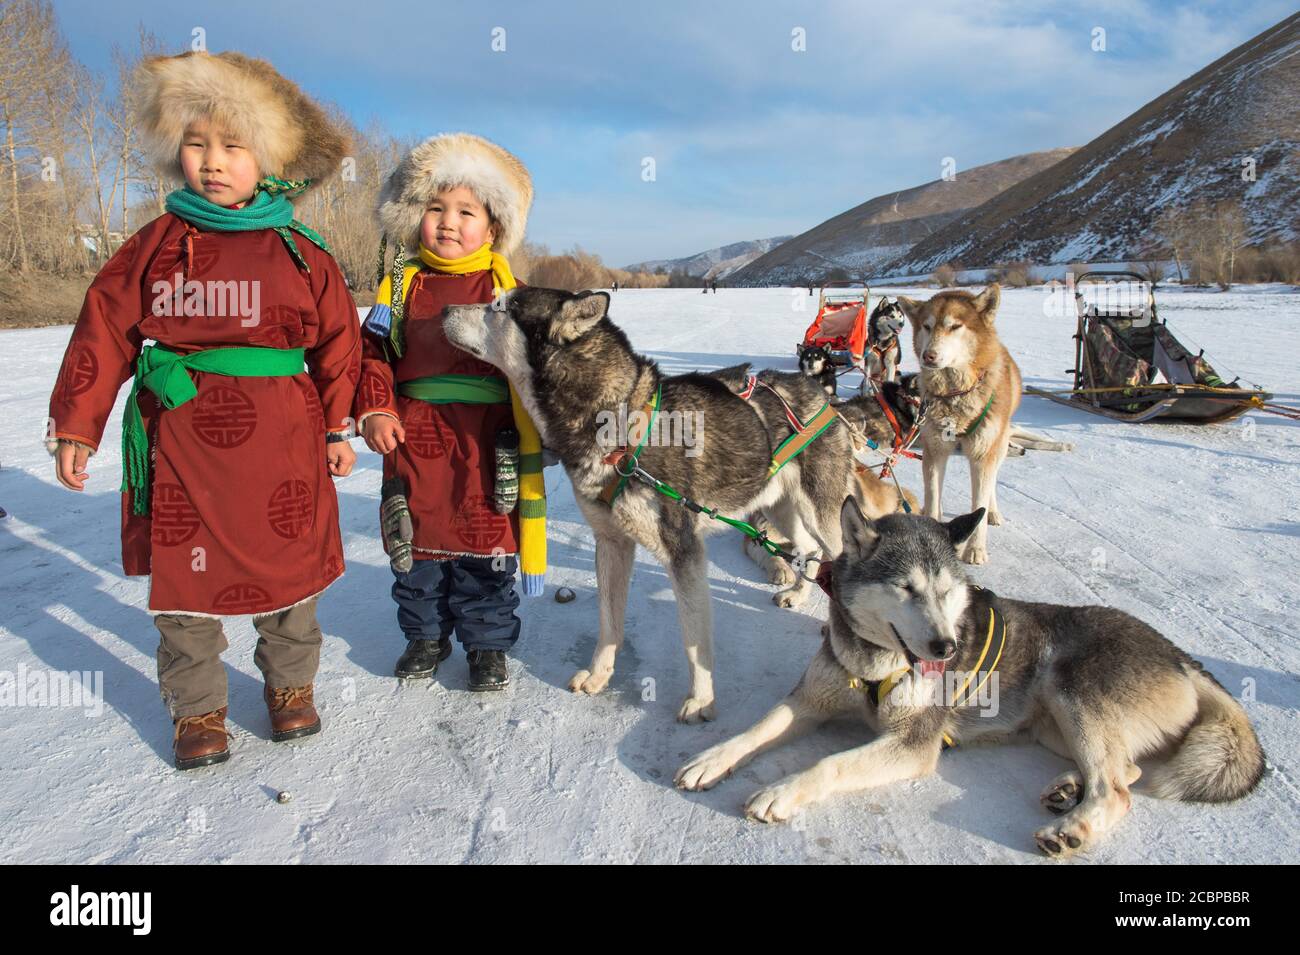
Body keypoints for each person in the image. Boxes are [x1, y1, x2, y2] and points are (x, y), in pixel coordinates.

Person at [46, 51, 360, 770]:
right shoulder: (153, 247)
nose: (212, 162)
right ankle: (198, 709)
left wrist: (339, 423)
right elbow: (104, 328)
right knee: (184, 579)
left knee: (289, 570)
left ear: (270, 158)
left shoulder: (303, 253)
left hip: (285, 438)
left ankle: (290, 687)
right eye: (196, 143)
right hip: (185, 439)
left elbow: (340, 342)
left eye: (233, 145)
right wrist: (78, 423)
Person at [355, 133, 547, 692]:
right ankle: (424, 636)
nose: (447, 221)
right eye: (435, 209)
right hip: (414, 435)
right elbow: (372, 354)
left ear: (493, 229)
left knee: (486, 548)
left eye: (466, 211)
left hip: (491, 439)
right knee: (415, 545)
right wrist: (374, 408)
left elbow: (541, 364)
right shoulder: (398, 287)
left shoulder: (508, 291)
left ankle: (487, 645)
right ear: (416, 216)